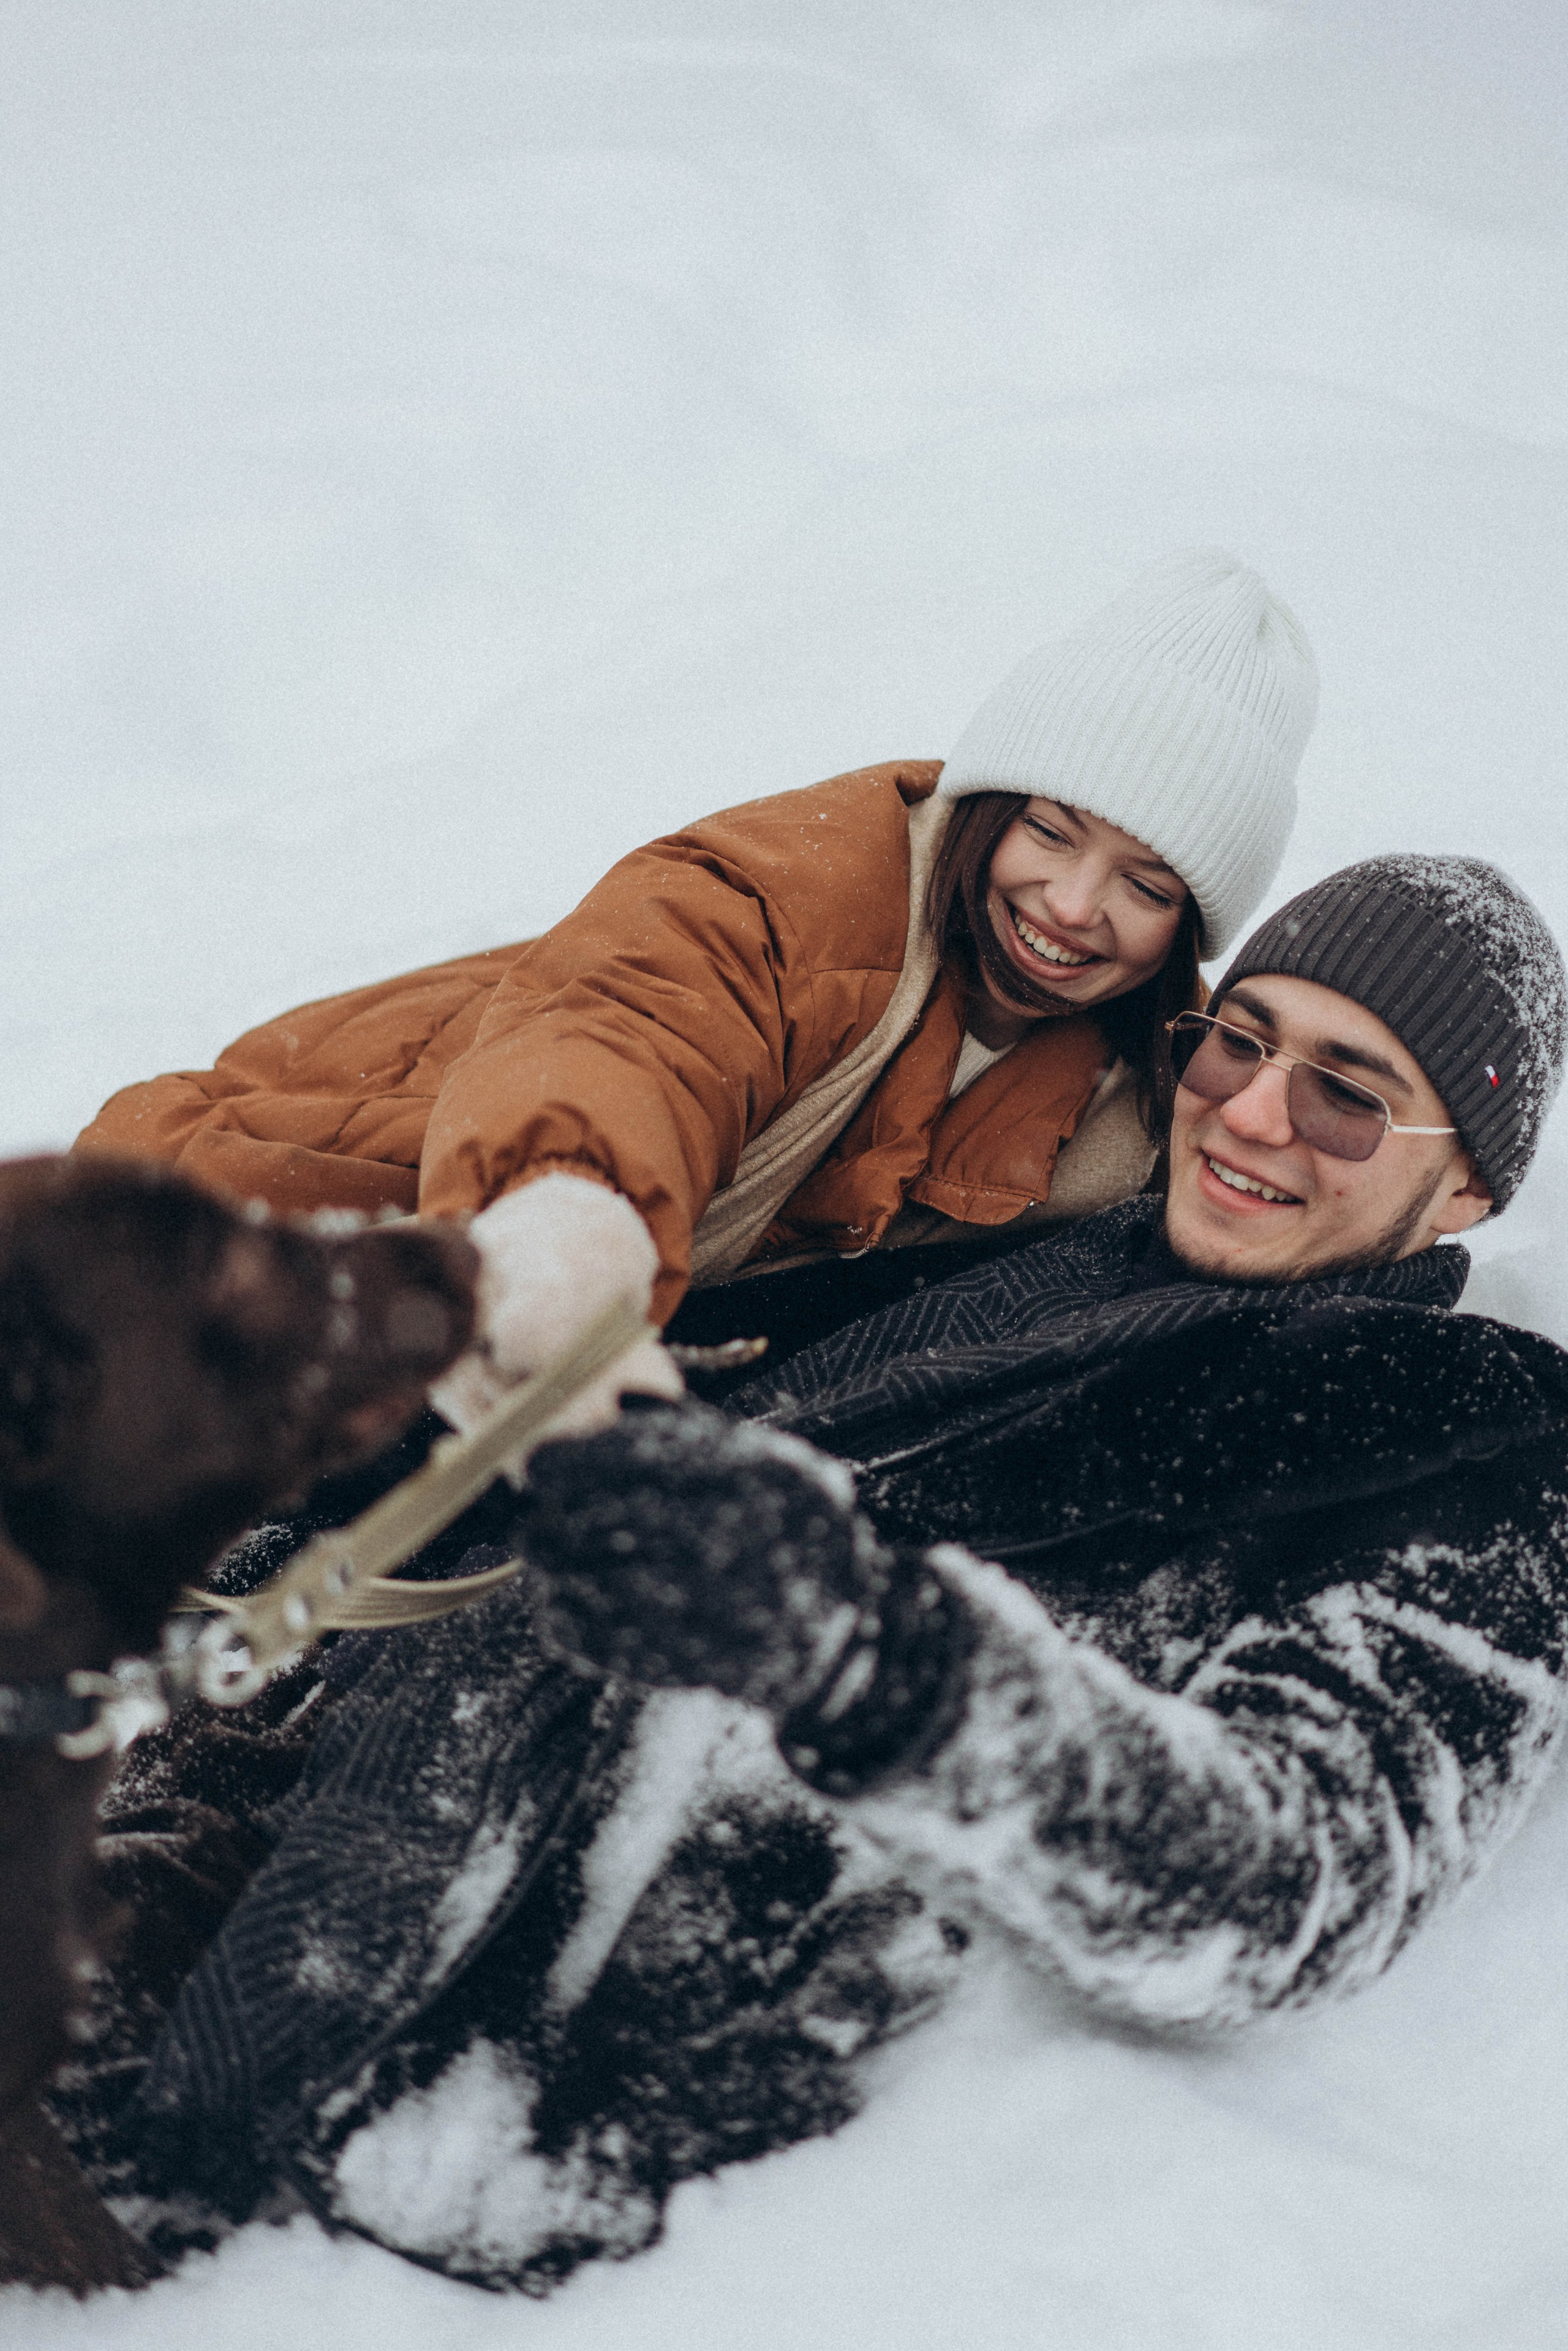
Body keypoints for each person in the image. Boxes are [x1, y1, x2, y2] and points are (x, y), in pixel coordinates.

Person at [67, 848, 1568, 2294]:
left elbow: (1288, 1883)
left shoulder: (1476, 1443)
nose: (1248, 1112)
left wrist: (869, 1655)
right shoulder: (1029, 1252)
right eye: (1234, 1041)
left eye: (1345, 1098)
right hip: (275, 1768)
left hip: (483, 2006)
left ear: (1462, 1193)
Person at [75, 551, 1318, 1425]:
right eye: (1049, 830)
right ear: (986, 803)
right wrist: (564, 1224)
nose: (1070, 905)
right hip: (314, 1188)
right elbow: (629, 1027)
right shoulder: (807, 885)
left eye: (1145, 883)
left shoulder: (1127, 1107)